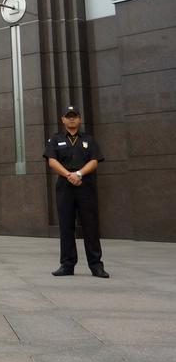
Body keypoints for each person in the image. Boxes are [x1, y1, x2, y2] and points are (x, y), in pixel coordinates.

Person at [44, 106, 108, 278]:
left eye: (74, 116)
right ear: (63, 120)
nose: (71, 119)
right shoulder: (56, 139)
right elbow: (52, 161)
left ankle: (96, 265)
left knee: (90, 226)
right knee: (66, 226)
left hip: (85, 185)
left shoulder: (89, 139)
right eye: (68, 116)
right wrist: (69, 175)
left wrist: (79, 174)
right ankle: (67, 265)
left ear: (79, 119)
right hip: (65, 187)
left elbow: (94, 161)